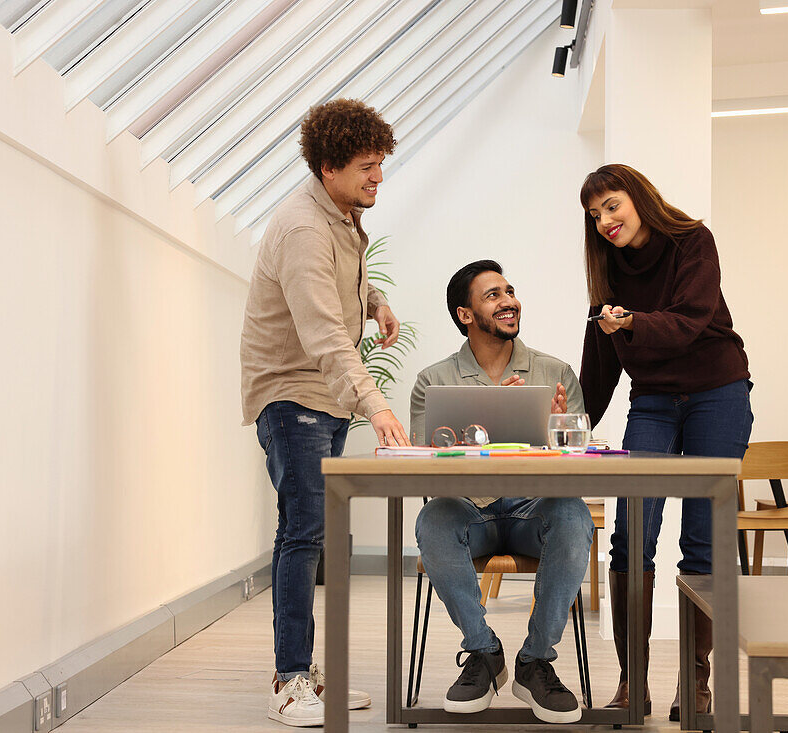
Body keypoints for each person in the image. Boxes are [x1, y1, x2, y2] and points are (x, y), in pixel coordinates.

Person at [240, 98, 410, 728]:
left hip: (321, 396)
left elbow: (341, 288)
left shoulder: (337, 216)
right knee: (303, 533)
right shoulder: (304, 228)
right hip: (292, 396)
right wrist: (378, 404)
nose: (378, 177)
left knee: (316, 535)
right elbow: (323, 337)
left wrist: (374, 300)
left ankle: (307, 671)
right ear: (330, 166)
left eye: (380, 164)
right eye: (368, 166)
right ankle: (288, 683)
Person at [577, 164, 753, 720]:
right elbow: (602, 365)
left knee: (702, 541)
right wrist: (570, 421)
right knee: (630, 536)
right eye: (594, 214)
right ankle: (634, 683)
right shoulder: (606, 271)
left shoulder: (692, 242)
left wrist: (628, 324)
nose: (604, 220)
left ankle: (697, 684)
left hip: (716, 392)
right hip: (652, 399)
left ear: (638, 197)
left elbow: (691, 319)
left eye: (611, 205)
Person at [410, 260, 593, 724]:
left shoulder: (555, 372)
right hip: (472, 512)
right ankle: (483, 651)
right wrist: (481, 436)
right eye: (493, 295)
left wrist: (554, 431)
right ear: (465, 314)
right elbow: (424, 466)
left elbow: (580, 461)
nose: (509, 300)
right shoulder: (433, 382)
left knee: (573, 515)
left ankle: (534, 661)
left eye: (509, 291)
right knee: (433, 519)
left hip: (536, 510)